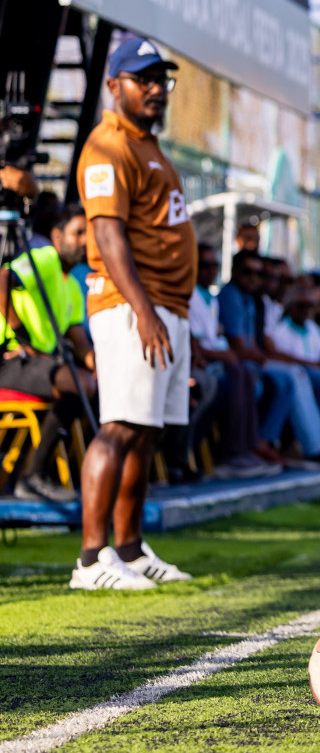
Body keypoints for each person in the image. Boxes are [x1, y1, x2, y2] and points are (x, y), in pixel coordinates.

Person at [69, 34, 196, 590]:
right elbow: (107, 235)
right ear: (114, 85)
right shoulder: (108, 145)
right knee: (119, 426)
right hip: (130, 306)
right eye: (143, 80)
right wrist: (144, 311)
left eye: (161, 80)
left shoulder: (148, 145)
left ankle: (128, 548)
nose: (155, 89)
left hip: (166, 306)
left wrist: (170, 313)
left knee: (146, 432)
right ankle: (90, 560)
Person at [3, 202, 95, 501]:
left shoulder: (73, 286)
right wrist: (21, 335)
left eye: (89, 234)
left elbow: (79, 343)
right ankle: (32, 477)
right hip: (10, 359)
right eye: (78, 233)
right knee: (78, 383)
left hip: (38, 365)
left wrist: (101, 364)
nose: (85, 241)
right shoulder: (44, 259)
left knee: (94, 383)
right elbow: (2, 279)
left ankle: (77, 476)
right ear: (57, 237)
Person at [217, 250, 320, 465]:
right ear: (234, 272)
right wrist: (264, 356)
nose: (258, 279)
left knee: (315, 379)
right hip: (241, 363)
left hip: (254, 361)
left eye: (284, 279)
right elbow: (247, 348)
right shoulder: (234, 296)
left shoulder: (255, 300)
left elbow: (254, 347)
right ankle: (314, 447)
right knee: (294, 376)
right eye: (249, 273)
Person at [188, 242, 279, 479]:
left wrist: (227, 354)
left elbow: (219, 341)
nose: (211, 270)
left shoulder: (211, 297)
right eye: (204, 265)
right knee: (238, 373)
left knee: (246, 374)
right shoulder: (193, 294)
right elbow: (197, 346)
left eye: (214, 265)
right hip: (201, 363)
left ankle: (247, 449)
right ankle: (231, 454)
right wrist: (227, 354)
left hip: (216, 359)